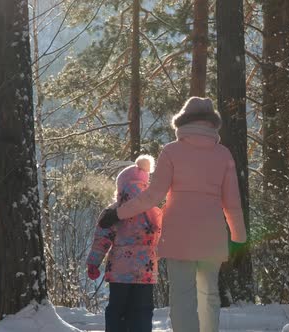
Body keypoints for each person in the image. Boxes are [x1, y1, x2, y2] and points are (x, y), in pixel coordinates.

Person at [98, 96, 247, 332]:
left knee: (182, 296)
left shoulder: (171, 151)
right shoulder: (223, 154)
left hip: (178, 234)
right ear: (212, 124)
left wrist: (119, 213)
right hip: (212, 234)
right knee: (209, 293)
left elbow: (152, 196)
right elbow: (233, 203)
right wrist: (239, 241)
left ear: (183, 122)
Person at [86, 155, 162, 332]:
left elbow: (101, 240)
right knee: (142, 311)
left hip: (120, 271)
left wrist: (93, 263)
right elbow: (163, 237)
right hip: (146, 270)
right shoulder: (154, 211)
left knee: (117, 310)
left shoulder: (113, 212)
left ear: (120, 187)